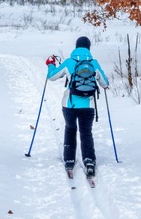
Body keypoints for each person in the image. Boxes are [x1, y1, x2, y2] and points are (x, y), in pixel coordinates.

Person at [45, 36, 109, 177]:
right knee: (86, 133)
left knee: (70, 129)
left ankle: (69, 160)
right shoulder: (94, 63)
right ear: (89, 48)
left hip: (69, 104)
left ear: (76, 47)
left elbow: (51, 76)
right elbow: (105, 83)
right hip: (88, 105)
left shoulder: (69, 62)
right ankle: (89, 161)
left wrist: (50, 64)